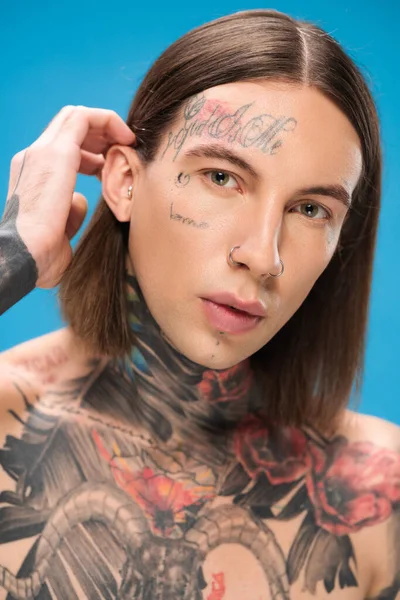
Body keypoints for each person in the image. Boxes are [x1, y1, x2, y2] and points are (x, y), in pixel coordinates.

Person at [0, 8, 399, 599]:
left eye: (312, 210)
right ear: (124, 183)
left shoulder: (377, 493)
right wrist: (12, 257)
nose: (264, 257)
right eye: (221, 177)